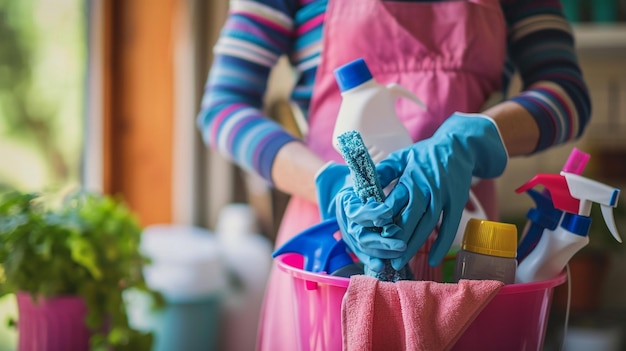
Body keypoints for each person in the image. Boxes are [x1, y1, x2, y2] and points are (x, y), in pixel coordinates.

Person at [197, 0, 590, 349]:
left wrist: (470, 139)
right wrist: (329, 184)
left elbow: (567, 93)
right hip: (334, 241)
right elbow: (224, 108)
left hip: (465, 242)